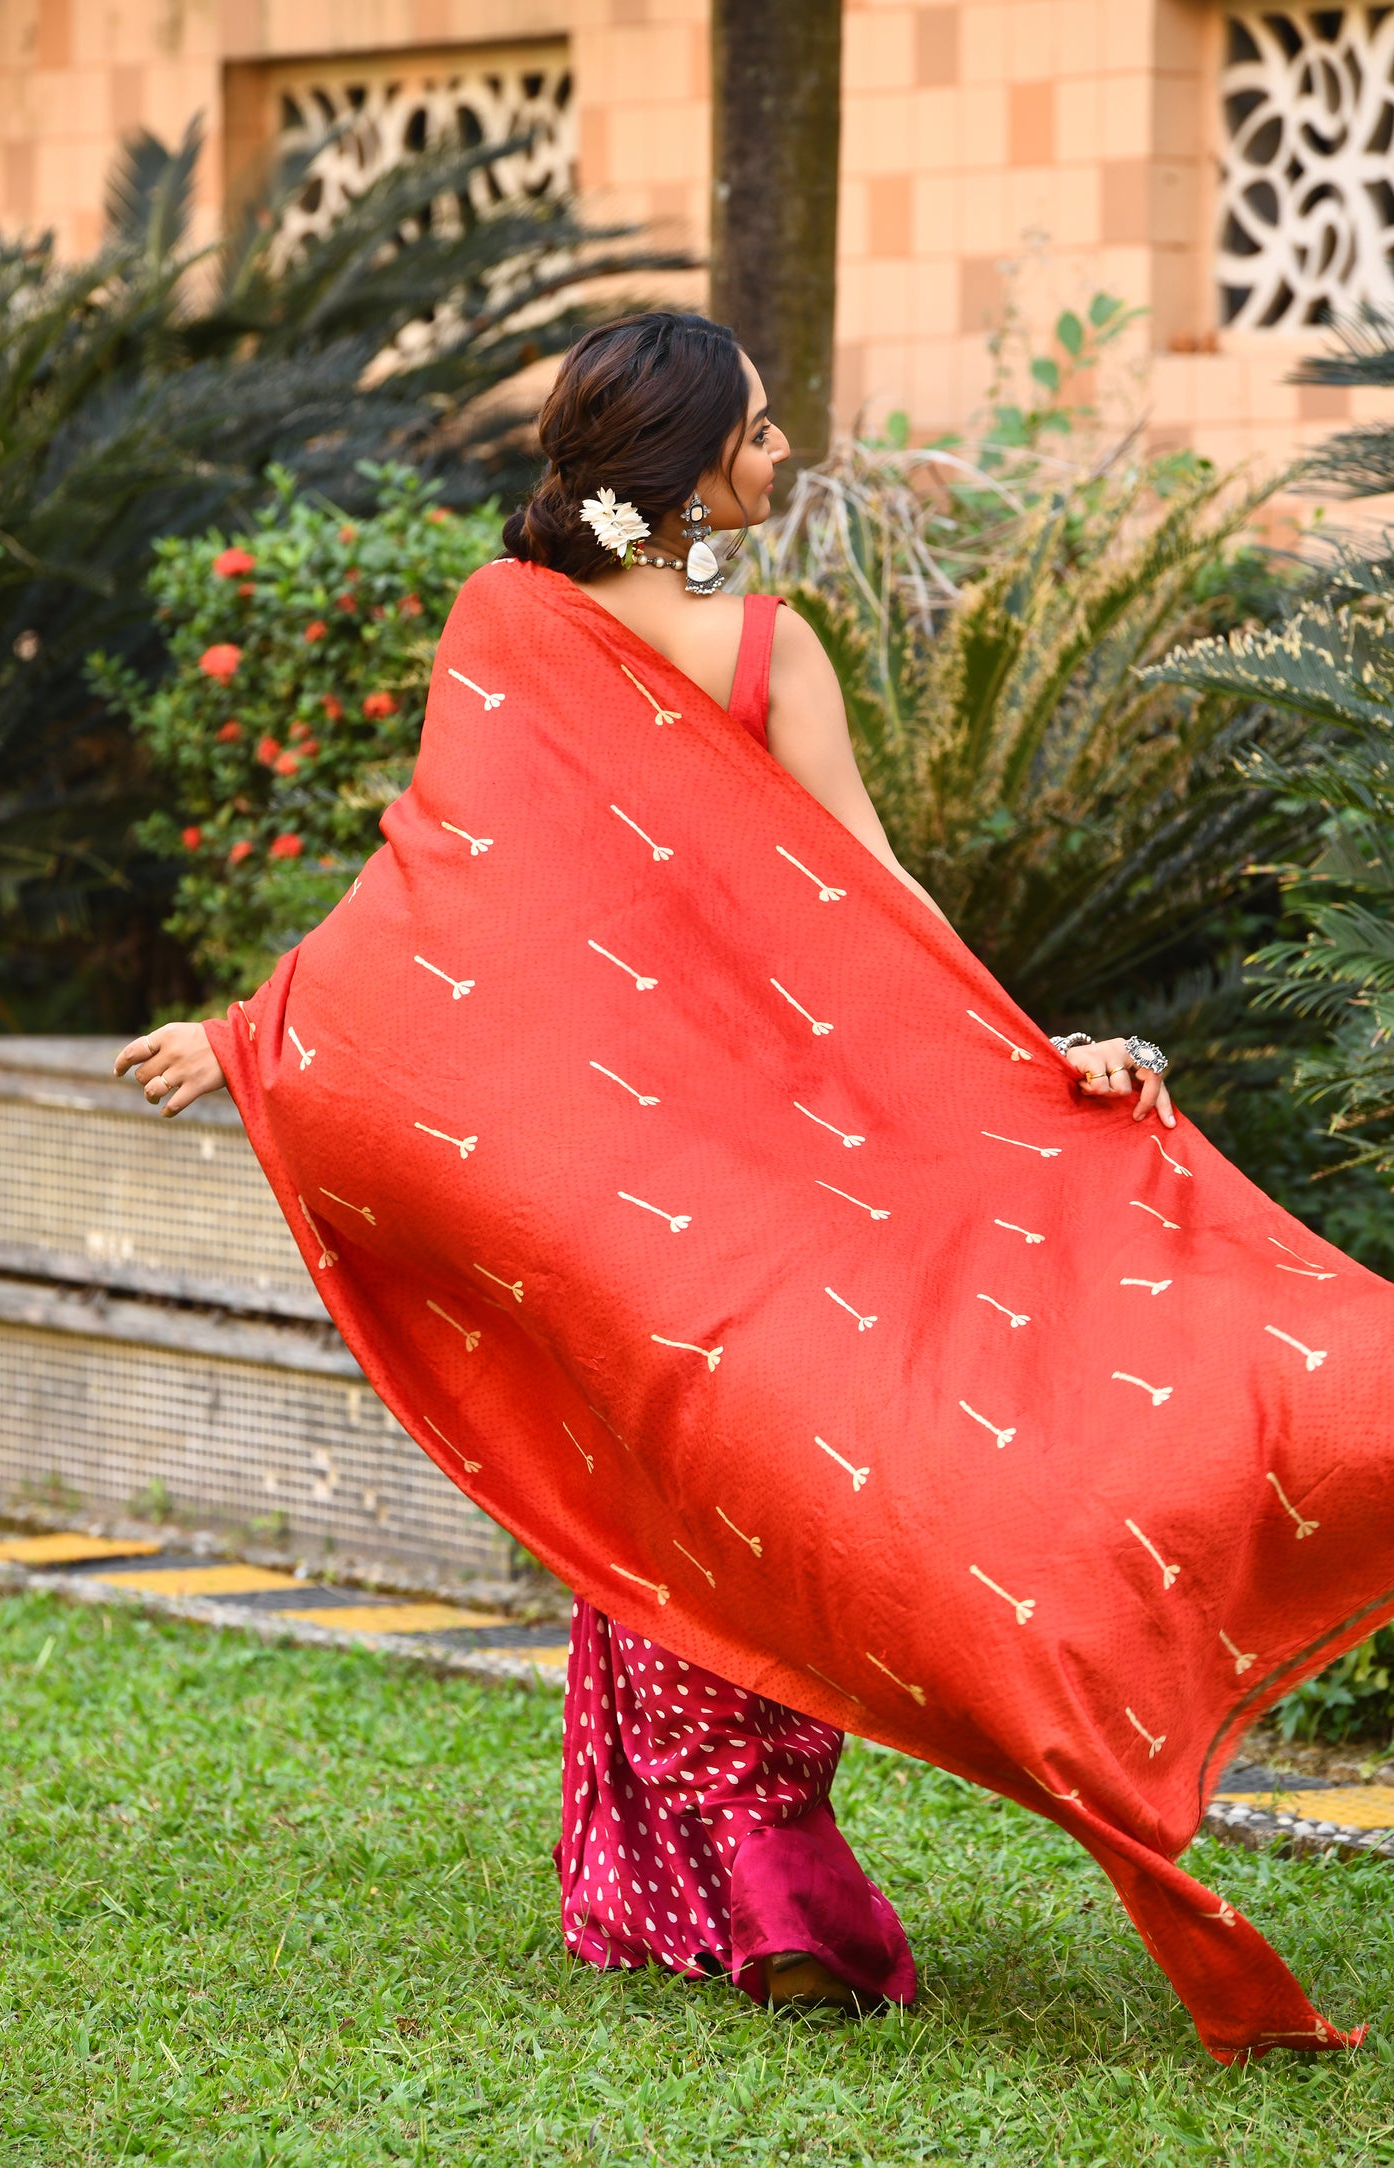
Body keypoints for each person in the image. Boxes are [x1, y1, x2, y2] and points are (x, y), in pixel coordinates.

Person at [116, 313, 1391, 2061]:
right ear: (691, 464)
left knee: (730, 1482)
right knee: (726, 1486)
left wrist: (1036, 1059)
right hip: (670, 1180)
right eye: (764, 433)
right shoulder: (657, 640)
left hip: (699, 1183)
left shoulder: (550, 624)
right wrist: (256, 1032)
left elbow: (812, 910)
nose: (786, 456)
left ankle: (742, 1885)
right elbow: (480, 886)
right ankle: (758, 1890)